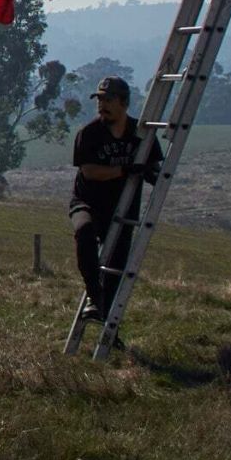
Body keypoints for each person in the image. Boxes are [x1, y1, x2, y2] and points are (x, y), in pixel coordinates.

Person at [69, 77, 163, 332]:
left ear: (124, 103)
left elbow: (154, 167)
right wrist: (124, 169)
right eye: (99, 100)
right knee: (84, 232)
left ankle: (110, 333)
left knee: (115, 271)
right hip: (87, 202)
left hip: (122, 210)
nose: (102, 105)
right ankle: (92, 295)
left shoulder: (141, 135)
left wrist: (154, 175)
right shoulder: (88, 134)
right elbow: (89, 171)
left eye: (108, 100)